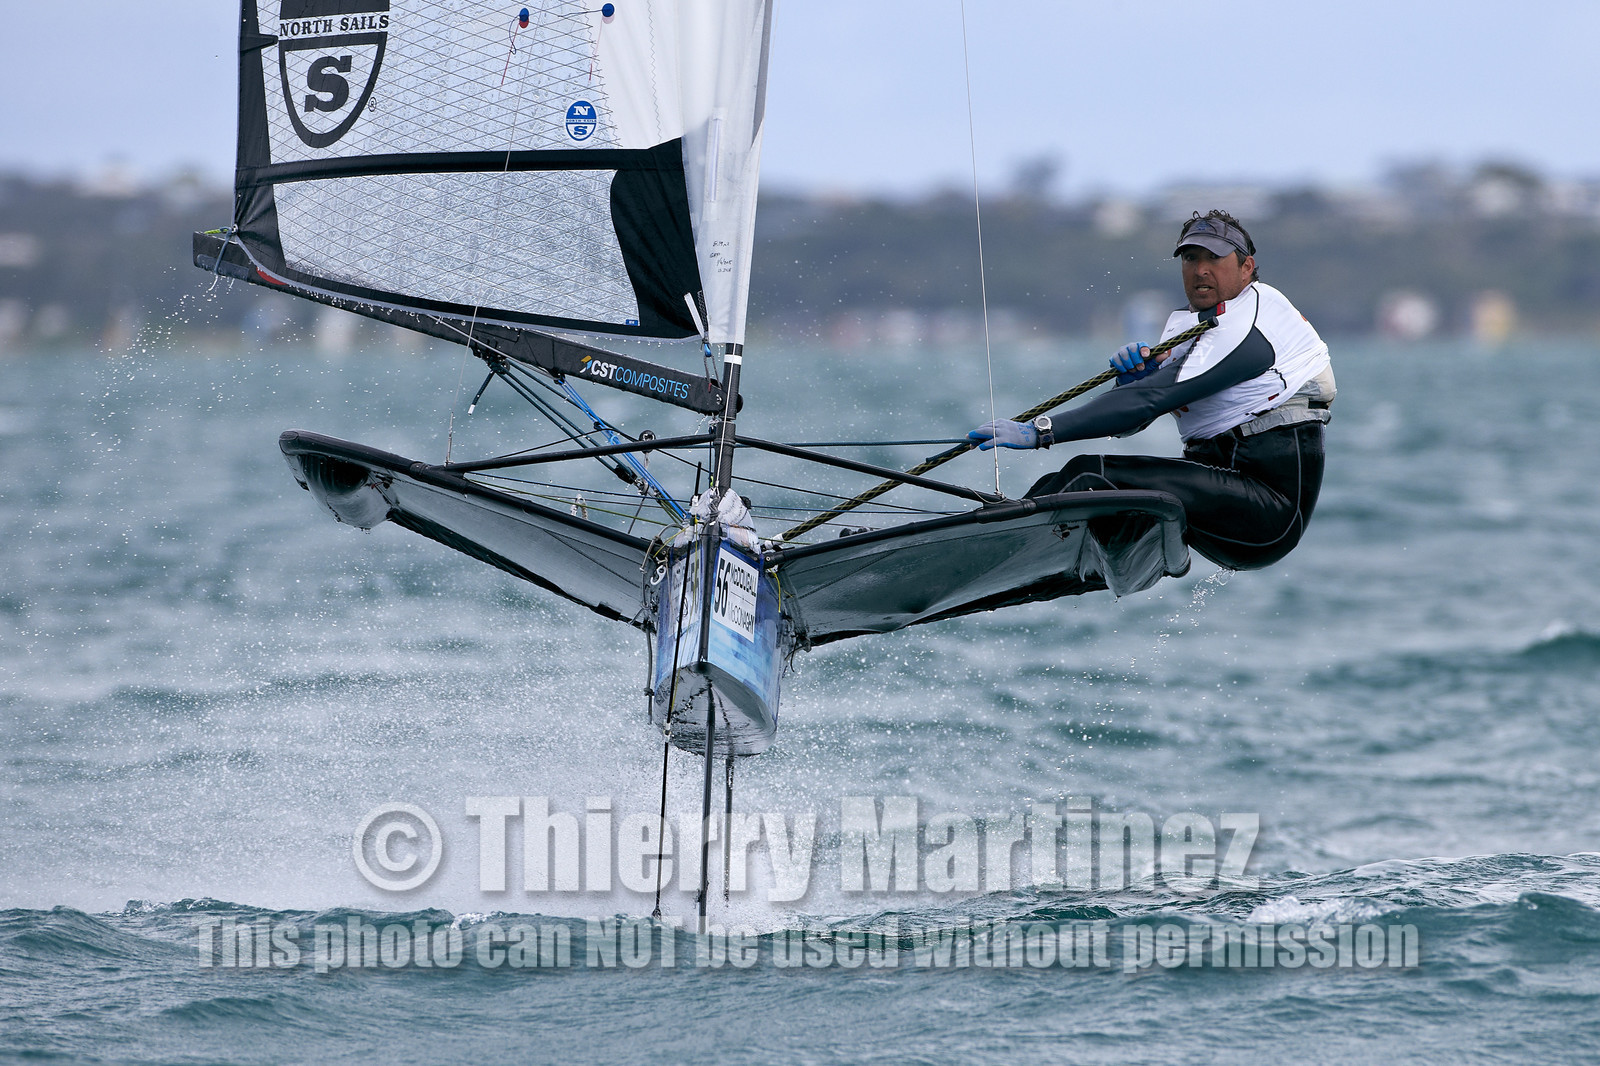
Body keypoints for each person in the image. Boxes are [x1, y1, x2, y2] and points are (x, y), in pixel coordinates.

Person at [967, 210, 1335, 571]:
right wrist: (1130, 382)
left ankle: (977, 558)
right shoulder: (1190, 325)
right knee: (1077, 489)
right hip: (1224, 490)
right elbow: (1132, 420)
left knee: (1088, 475)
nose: (1200, 269)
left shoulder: (1255, 321)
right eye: (1191, 258)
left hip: (1266, 513)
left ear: (1246, 267)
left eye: (1214, 258)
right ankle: (1046, 567)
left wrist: (1042, 431)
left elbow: (1147, 402)